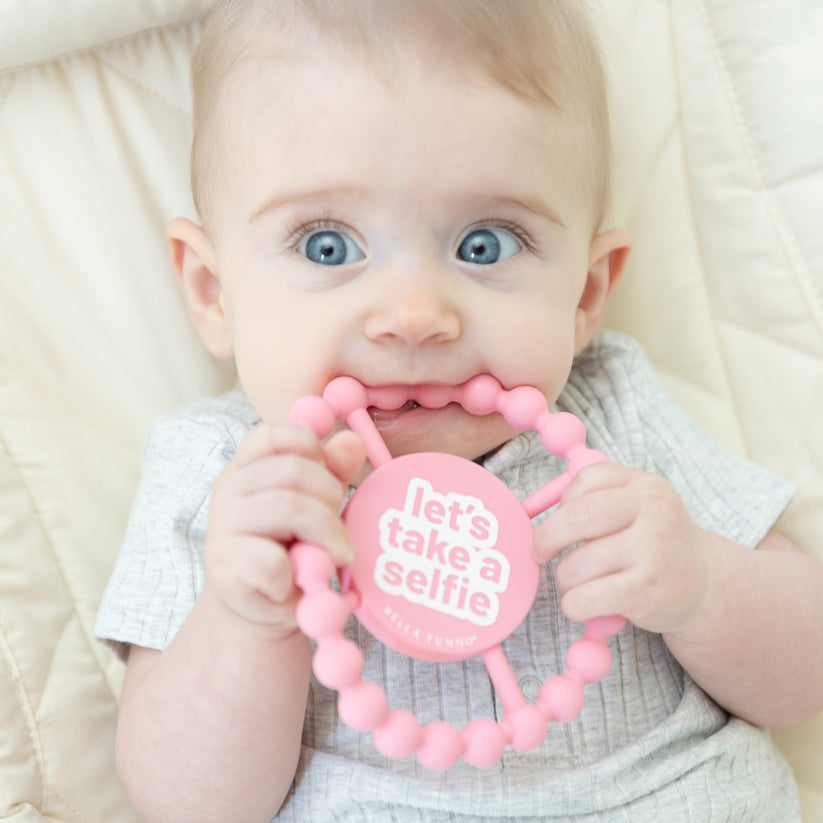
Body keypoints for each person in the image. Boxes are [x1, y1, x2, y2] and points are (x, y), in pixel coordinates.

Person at [95, 1, 822, 820]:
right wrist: (246, 618)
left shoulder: (611, 411)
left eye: (485, 245)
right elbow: (180, 802)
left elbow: (806, 674)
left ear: (584, 295)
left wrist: (702, 583)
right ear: (212, 290)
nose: (413, 314)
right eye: (328, 246)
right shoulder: (225, 472)